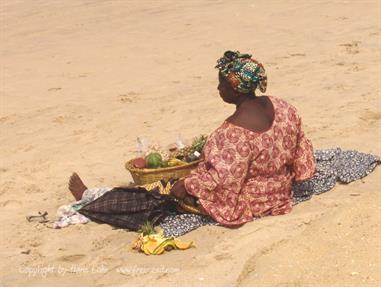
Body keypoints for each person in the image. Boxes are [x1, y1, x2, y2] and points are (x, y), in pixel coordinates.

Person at [68, 50, 315, 227]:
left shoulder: (231, 134)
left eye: (222, 84)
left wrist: (186, 186)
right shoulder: (284, 107)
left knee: (154, 197)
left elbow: (224, 182)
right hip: (280, 192)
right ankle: (97, 196)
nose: (218, 89)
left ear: (235, 88)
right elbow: (300, 151)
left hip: (252, 201)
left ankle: (91, 200)